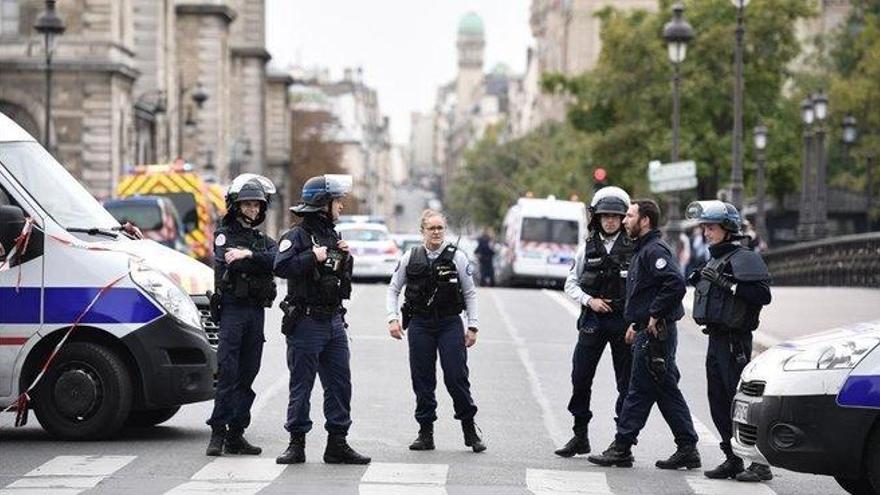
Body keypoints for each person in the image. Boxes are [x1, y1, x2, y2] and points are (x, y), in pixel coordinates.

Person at [587, 199, 701, 470]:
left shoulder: (654, 250)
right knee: (665, 389)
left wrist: (654, 313)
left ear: (645, 220)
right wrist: (636, 323)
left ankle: (622, 446)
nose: (625, 220)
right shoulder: (643, 249)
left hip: (656, 333)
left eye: (629, 215)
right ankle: (687, 447)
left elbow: (674, 284)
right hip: (647, 330)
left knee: (638, 390)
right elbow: (646, 292)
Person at [274, 174, 370, 465]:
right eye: (337, 201)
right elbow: (281, 267)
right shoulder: (296, 236)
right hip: (305, 322)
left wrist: (346, 257)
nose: (341, 206)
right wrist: (310, 258)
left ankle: (337, 444)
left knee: (340, 384)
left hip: (334, 321)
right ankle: (296, 444)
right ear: (322, 203)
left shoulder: (333, 236)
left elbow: (339, 278)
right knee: (301, 385)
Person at [685, 200, 773, 482]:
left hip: (735, 341)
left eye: (711, 227)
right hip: (716, 338)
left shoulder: (744, 257)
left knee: (740, 404)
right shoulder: (717, 257)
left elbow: (763, 296)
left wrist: (728, 284)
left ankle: (759, 463)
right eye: (704, 227)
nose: (706, 233)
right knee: (717, 400)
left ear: (728, 228)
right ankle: (733, 458)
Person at [386, 209, 485, 453]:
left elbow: (470, 293)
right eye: (432, 228)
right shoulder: (411, 256)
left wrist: (472, 326)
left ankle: (469, 429)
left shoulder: (457, 258)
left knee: (456, 377)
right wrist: (392, 319)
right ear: (423, 232)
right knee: (422, 379)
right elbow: (393, 289)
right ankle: (425, 432)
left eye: (440, 228)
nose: (437, 232)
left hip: (449, 323)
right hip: (420, 324)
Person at [555, 186, 634, 458]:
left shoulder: (635, 248)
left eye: (615, 216)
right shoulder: (586, 247)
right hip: (593, 320)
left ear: (623, 218)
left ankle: (622, 443)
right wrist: (590, 301)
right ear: (597, 218)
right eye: (605, 216)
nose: (610, 220)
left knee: (625, 383)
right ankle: (580, 435)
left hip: (623, 322)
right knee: (580, 377)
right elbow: (571, 283)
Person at [206, 174, 279, 456]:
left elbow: (277, 261)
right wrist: (252, 260)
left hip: (255, 312)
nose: (252, 210)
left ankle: (236, 434)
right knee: (228, 373)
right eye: (247, 205)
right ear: (236, 206)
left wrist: (248, 256)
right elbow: (228, 261)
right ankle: (217, 432)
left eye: (256, 205)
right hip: (233, 311)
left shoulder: (262, 240)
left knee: (248, 373)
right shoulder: (224, 235)